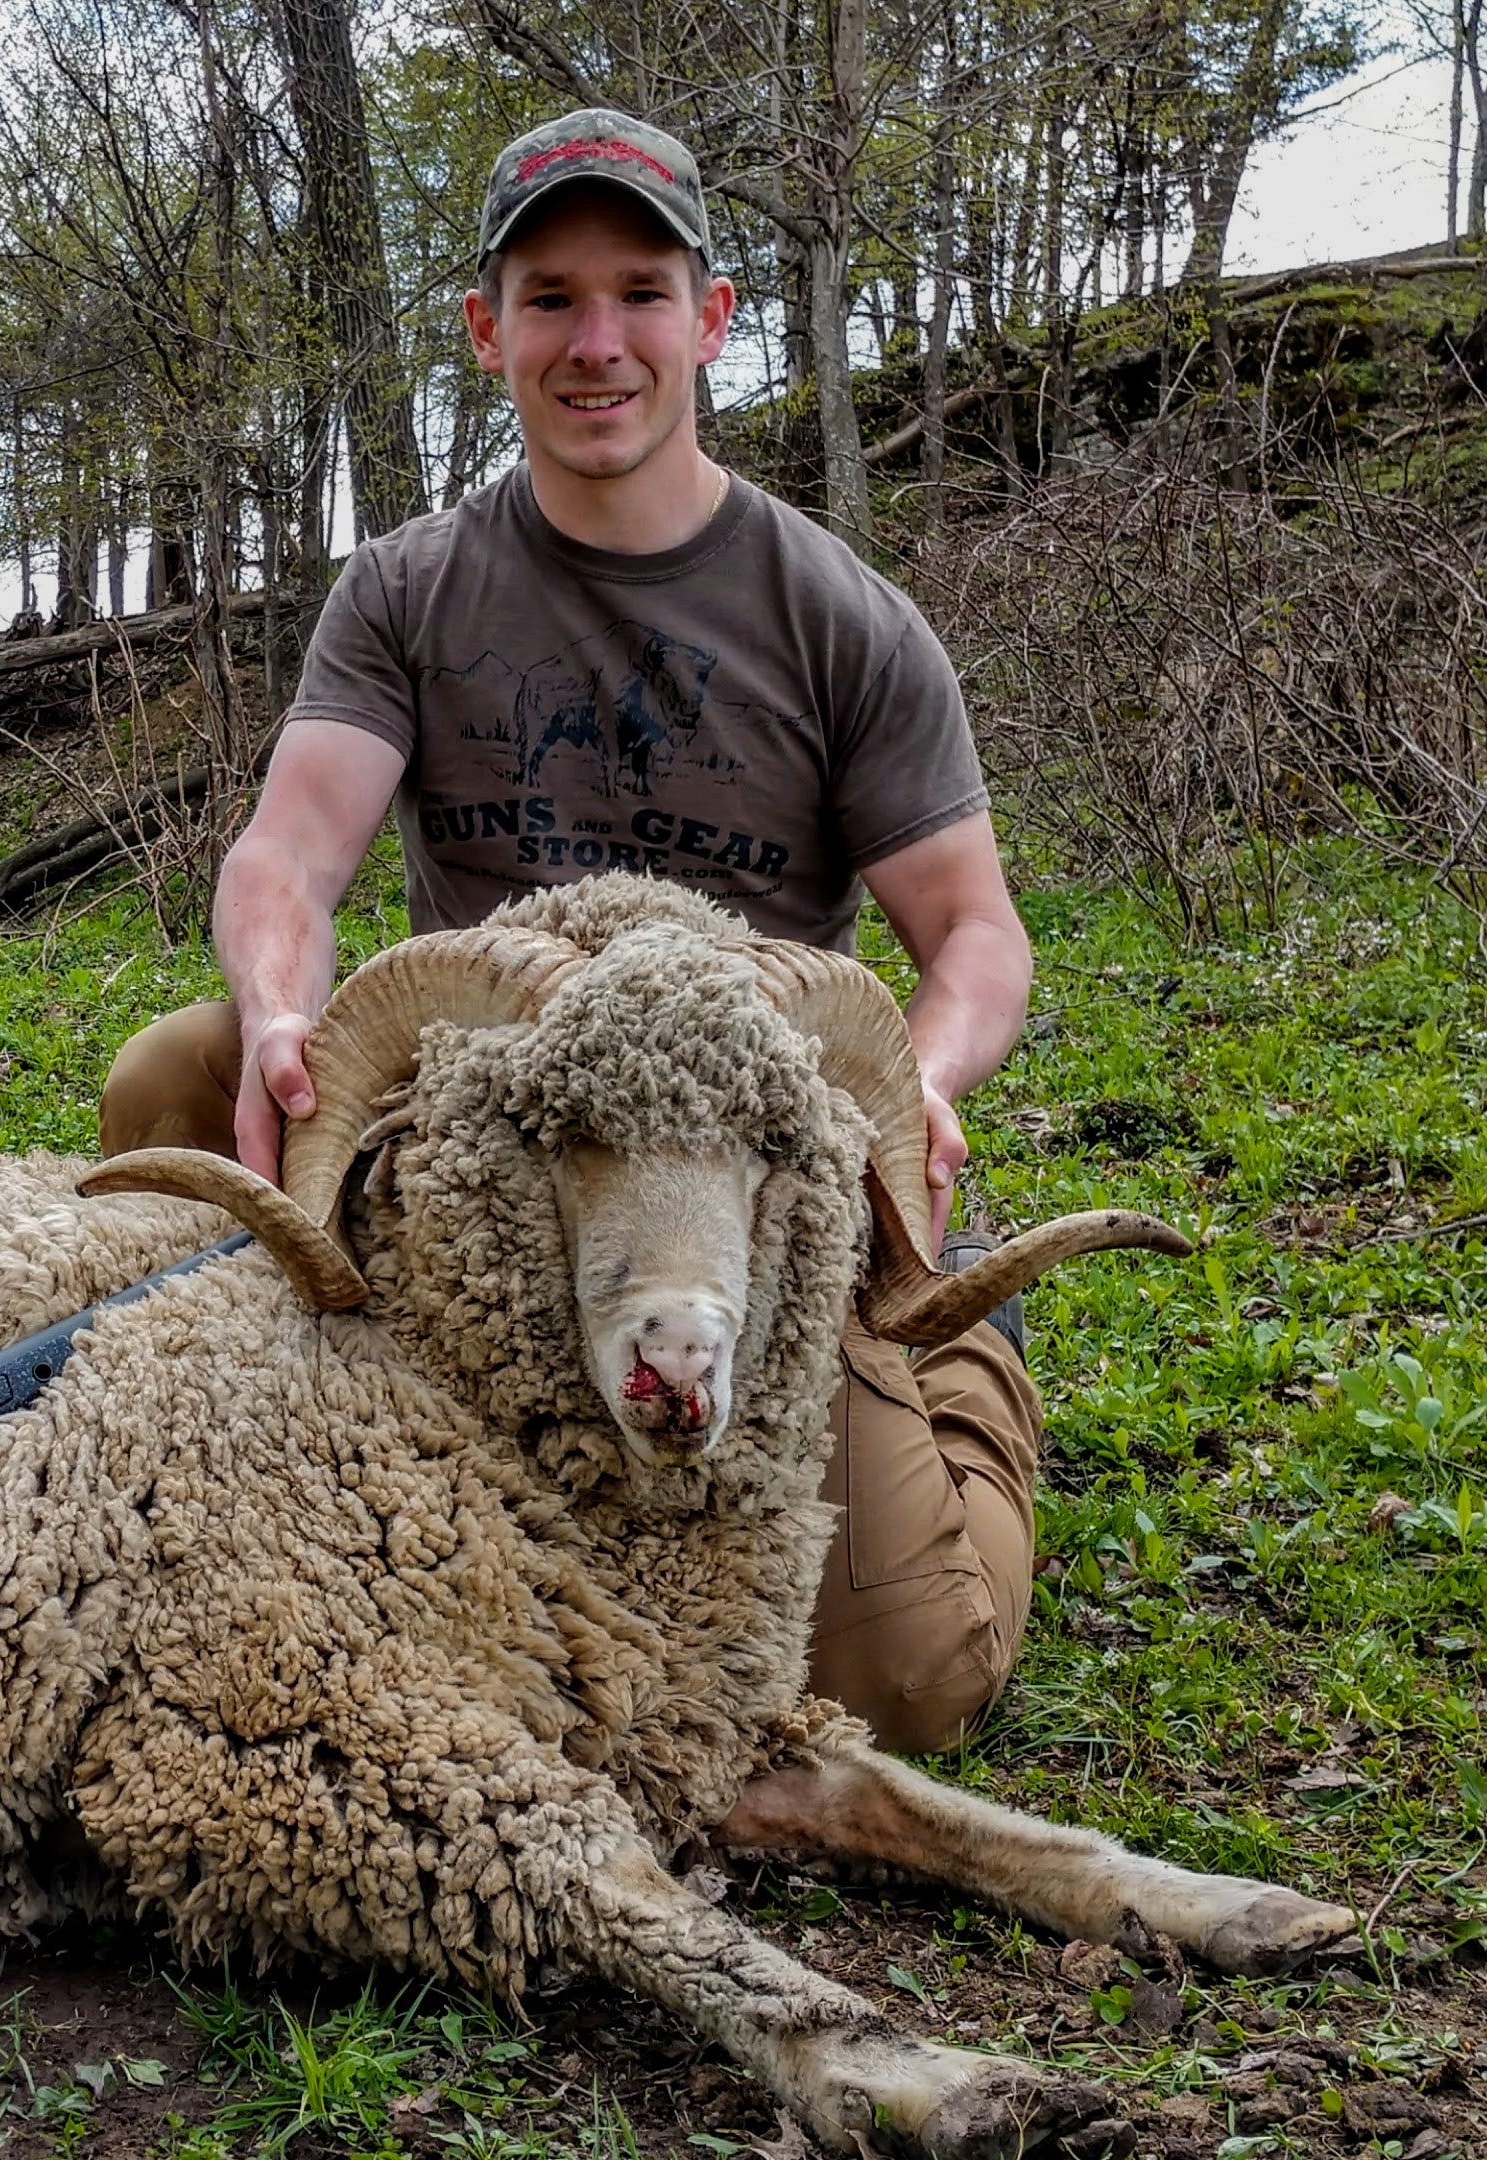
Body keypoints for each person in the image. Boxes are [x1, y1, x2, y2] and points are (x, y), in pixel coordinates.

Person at [92, 108, 1041, 1754]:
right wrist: (273, 1012)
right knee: (173, 1073)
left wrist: (934, 1079)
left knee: (904, 1689)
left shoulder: (838, 617)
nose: (596, 343)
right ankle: (244, 1456)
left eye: (640, 293)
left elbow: (973, 928)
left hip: (729, 1145)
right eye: (550, 298)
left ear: (711, 317)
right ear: (489, 330)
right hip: (503, 1116)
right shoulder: (405, 590)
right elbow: (288, 853)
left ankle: (964, 1378)